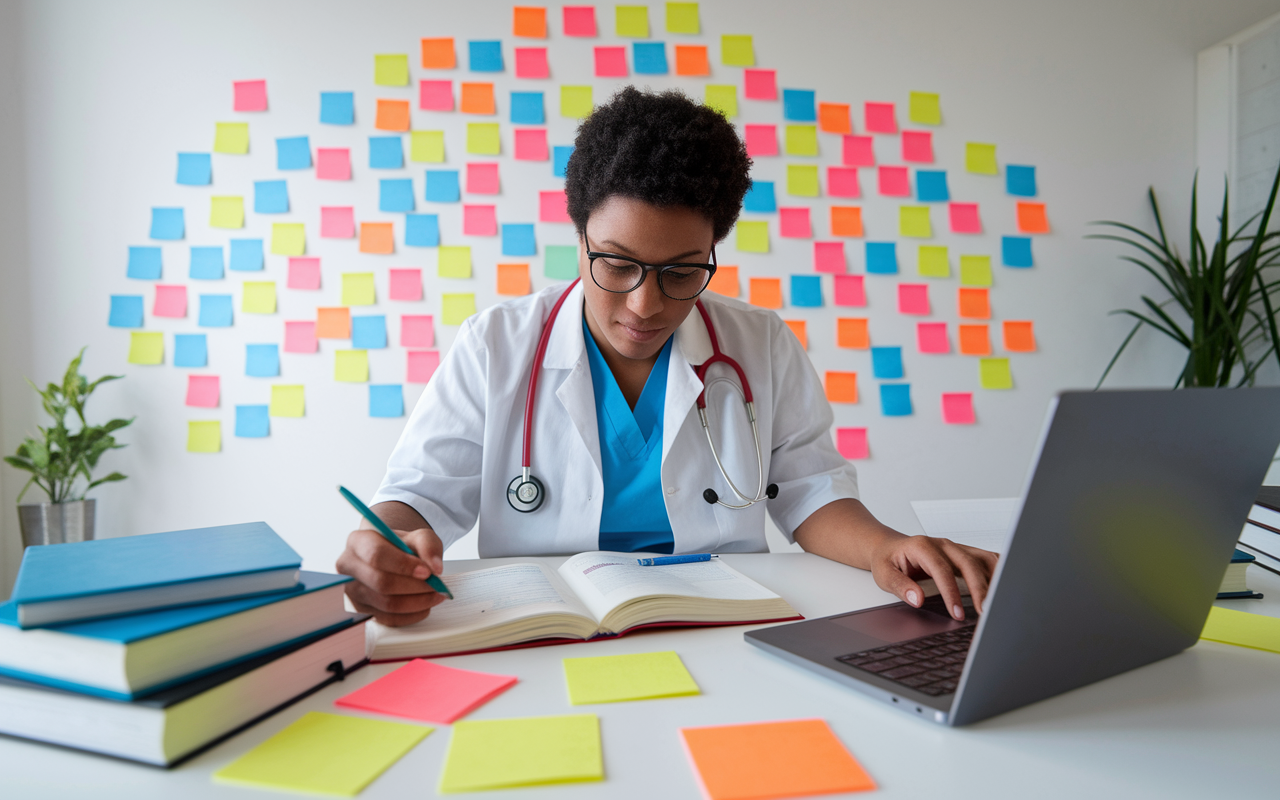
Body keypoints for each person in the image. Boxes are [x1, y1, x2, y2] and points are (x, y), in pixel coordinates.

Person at [336, 87, 998, 627]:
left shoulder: (758, 342)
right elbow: (419, 496)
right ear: (580, 238)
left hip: (727, 620)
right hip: (545, 627)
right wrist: (382, 548)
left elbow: (807, 492)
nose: (646, 304)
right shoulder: (497, 343)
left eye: (682, 271)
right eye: (617, 265)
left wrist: (886, 548)